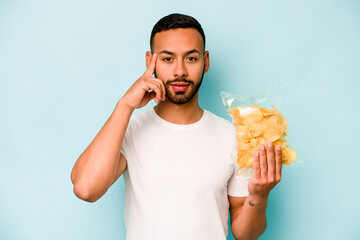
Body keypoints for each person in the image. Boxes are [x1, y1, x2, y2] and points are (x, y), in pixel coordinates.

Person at [71, 13, 283, 240]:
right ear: (149, 61)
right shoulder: (129, 129)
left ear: (206, 61)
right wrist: (125, 105)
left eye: (191, 58)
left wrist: (259, 196)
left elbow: (244, 234)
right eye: (167, 59)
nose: (180, 71)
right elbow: (86, 189)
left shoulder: (233, 136)